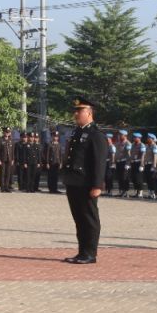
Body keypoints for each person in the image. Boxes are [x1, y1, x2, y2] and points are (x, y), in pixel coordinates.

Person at [61, 97, 108, 264]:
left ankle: (90, 253)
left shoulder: (96, 135)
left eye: (79, 111)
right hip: (74, 182)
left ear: (89, 113)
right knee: (79, 219)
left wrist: (97, 185)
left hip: (87, 184)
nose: (75, 114)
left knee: (89, 218)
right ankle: (82, 252)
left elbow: (99, 162)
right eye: (75, 111)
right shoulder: (77, 132)